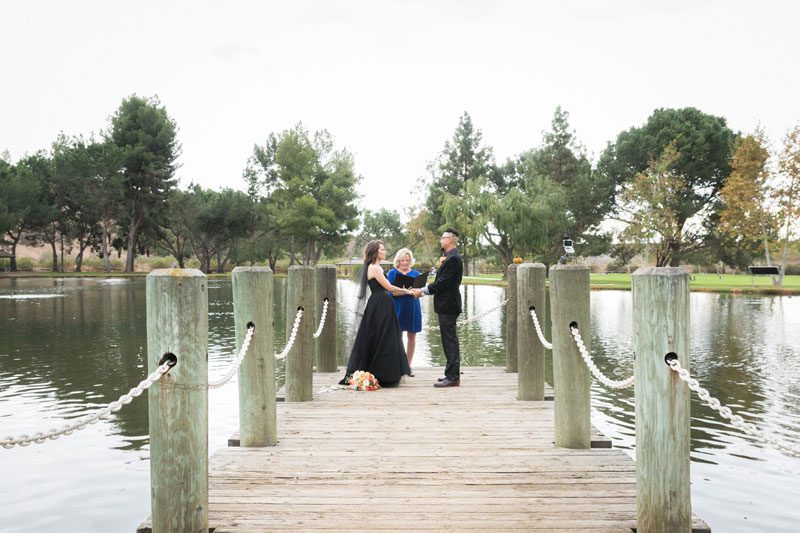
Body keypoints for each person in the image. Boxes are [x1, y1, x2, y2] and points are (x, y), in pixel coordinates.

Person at [339, 240, 413, 387]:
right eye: (382, 250)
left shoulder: (376, 267)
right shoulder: (375, 268)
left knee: (382, 337)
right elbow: (389, 288)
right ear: (375, 252)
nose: (385, 252)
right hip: (380, 305)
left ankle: (382, 373)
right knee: (384, 337)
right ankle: (384, 375)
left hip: (380, 303)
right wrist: (408, 291)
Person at [412, 228, 463, 387]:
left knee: (450, 340)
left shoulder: (453, 258)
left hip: (449, 305)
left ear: (450, 240)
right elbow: (441, 279)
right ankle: (450, 373)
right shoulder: (449, 258)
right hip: (445, 304)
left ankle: (453, 377)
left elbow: (443, 283)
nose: (441, 240)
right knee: (449, 340)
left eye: (443, 238)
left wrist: (422, 291)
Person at [386, 248, 423, 376]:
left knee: (412, 336)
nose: (405, 263)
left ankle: (408, 366)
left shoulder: (416, 274)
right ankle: (398, 365)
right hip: (397, 307)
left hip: (412, 307)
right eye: (403, 260)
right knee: (397, 336)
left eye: (407, 260)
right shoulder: (392, 273)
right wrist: (404, 291)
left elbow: (419, 293)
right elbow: (392, 293)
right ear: (398, 260)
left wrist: (417, 292)